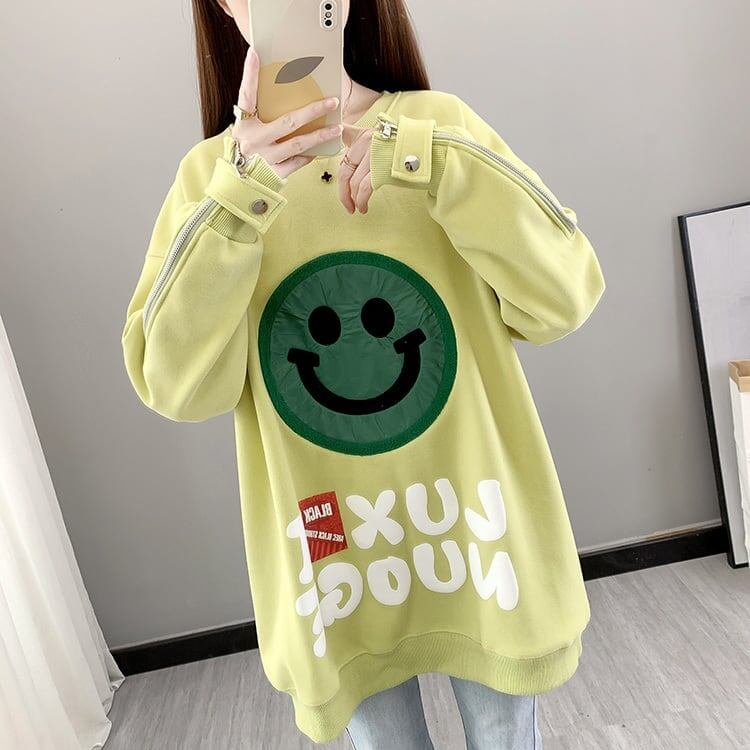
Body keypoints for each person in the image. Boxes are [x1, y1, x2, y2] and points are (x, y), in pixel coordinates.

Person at [121, 0, 606, 747]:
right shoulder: (210, 181)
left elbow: (563, 296)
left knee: (505, 731)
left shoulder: (437, 130)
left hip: (477, 527)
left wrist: (427, 161)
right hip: (332, 551)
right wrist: (239, 195)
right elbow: (176, 384)